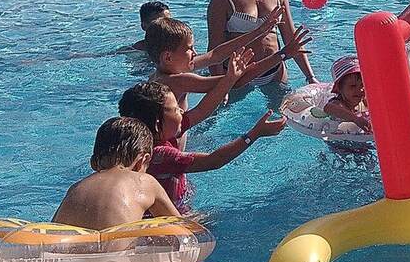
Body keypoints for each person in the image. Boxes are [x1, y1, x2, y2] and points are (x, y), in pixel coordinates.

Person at [48, 117, 223, 262]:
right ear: (142, 160)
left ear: (94, 162)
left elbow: (51, 244)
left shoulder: (76, 188)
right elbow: (184, 238)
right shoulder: (145, 181)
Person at [119, 75, 286, 211]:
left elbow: (202, 110)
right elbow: (214, 161)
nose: (182, 111)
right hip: (165, 219)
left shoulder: (156, 135)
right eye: (176, 109)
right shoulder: (160, 154)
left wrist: (229, 80)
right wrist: (254, 134)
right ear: (157, 123)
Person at [146, 16, 309, 108]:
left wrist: (259, 32)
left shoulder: (163, 71)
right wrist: (282, 54)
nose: (195, 53)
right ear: (168, 57)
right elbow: (236, 82)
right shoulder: (178, 81)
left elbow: (215, 55)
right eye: (189, 48)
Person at [323, 56, 372, 132]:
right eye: (353, 86)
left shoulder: (364, 101)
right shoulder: (338, 103)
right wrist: (355, 118)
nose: (360, 89)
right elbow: (328, 108)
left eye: (363, 85)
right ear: (340, 88)